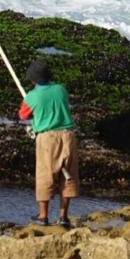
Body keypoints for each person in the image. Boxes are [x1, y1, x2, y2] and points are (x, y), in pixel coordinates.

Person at [18, 59, 80, 228]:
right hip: (68, 136)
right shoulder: (61, 90)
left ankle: (43, 216)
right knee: (67, 176)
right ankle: (63, 217)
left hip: (47, 138)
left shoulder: (32, 96)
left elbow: (23, 116)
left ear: (33, 79)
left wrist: (34, 109)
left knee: (46, 175)